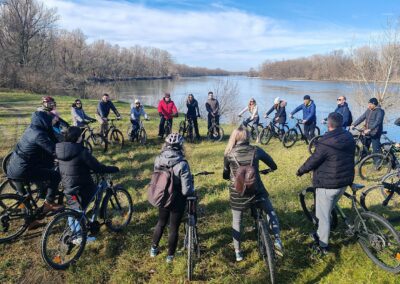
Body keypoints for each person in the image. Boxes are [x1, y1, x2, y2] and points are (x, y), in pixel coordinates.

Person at [296, 112, 355, 255]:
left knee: (323, 217)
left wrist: (301, 171)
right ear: (341, 123)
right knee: (327, 210)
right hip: (345, 181)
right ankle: (322, 233)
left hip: (328, 184)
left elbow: (314, 160)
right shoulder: (349, 137)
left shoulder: (325, 142)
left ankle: (323, 246)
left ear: (328, 124)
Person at [223, 126, 283, 262]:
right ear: (247, 137)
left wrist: (230, 175)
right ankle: (277, 239)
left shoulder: (229, 154)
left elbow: (225, 174)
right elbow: (273, 165)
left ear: (235, 138)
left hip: (237, 193)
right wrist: (268, 169)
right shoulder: (256, 150)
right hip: (257, 190)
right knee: (270, 212)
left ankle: (238, 252)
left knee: (237, 221)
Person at [56, 127, 120, 243]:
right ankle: (79, 237)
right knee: (81, 207)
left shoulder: (61, 149)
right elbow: (97, 167)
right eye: (81, 135)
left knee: (74, 208)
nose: (82, 137)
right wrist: (112, 168)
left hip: (67, 185)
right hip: (80, 186)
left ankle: (74, 231)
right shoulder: (81, 151)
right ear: (78, 138)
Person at [7, 97, 62, 213]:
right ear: (44, 121)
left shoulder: (31, 128)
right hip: (23, 168)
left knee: (24, 197)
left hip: (13, 165)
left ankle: (30, 221)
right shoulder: (39, 135)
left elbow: (52, 139)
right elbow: (53, 150)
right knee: (55, 176)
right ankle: (49, 203)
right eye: (49, 120)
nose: (51, 122)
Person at [150, 133, 194, 263]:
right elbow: (186, 190)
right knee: (174, 227)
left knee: (161, 222)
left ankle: (153, 249)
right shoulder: (182, 164)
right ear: (180, 146)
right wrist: (192, 191)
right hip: (177, 199)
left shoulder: (158, 159)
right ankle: (170, 256)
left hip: (162, 196)